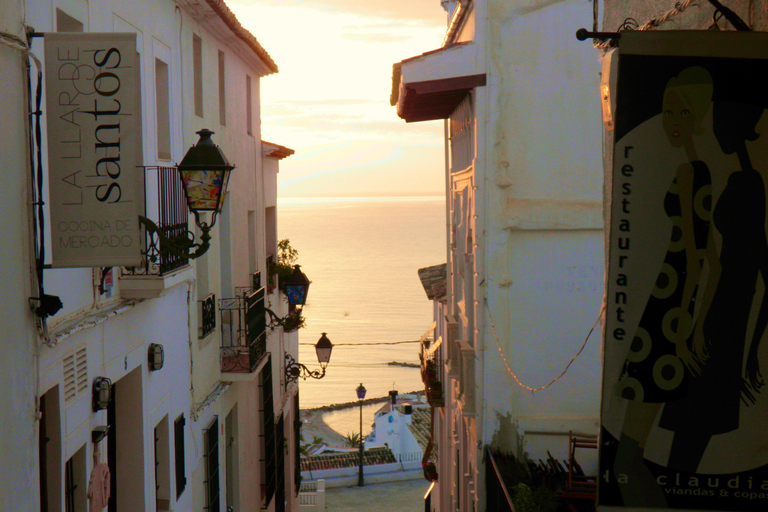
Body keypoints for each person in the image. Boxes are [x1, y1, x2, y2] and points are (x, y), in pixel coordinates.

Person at [612, 66, 715, 506]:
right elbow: (711, 259)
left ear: (699, 116)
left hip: (669, 304)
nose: (672, 121)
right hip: (672, 301)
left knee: (625, 462)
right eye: (667, 111)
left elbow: (698, 255)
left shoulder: (693, 172)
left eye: (682, 112)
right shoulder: (699, 169)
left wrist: (685, 324)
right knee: (629, 457)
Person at [660, 101, 768, 473]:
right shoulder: (739, 178)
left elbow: (754, 268)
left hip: (722, 314)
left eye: (721, 121)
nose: (715, 129)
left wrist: (751, 349)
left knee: (692, 425)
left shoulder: (748, 184)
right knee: (691, 427)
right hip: (725, 312)